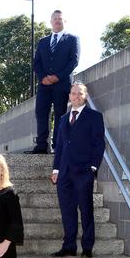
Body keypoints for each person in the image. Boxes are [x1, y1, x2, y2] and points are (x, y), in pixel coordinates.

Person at [51, 82, 105, 258]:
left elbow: (99, 144)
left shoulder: (95, 116)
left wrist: (93, 167)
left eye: (79, 94)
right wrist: (56, 170)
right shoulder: (62, 119)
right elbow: (59, 147)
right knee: (67, 210)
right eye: (73, 93)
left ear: (86, 96)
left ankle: (87, 246)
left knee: (86, 209)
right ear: (69, 96)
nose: (76, 96)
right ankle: (69, 246)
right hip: (64, 173)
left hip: (84, 171)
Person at [26, 10, 80, 154]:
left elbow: (73, 62)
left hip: (62, 84)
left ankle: (58, 145)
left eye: (60, 19)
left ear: (64, 21)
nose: (57, 21)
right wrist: (43, 77)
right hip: (44, 85)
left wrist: (57, 76)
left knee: (60, 114)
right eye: (55, 19)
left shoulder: (72, 39)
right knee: (41, 112)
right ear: (51, 21)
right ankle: (42, 145)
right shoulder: (43, 42)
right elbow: (36, 63)